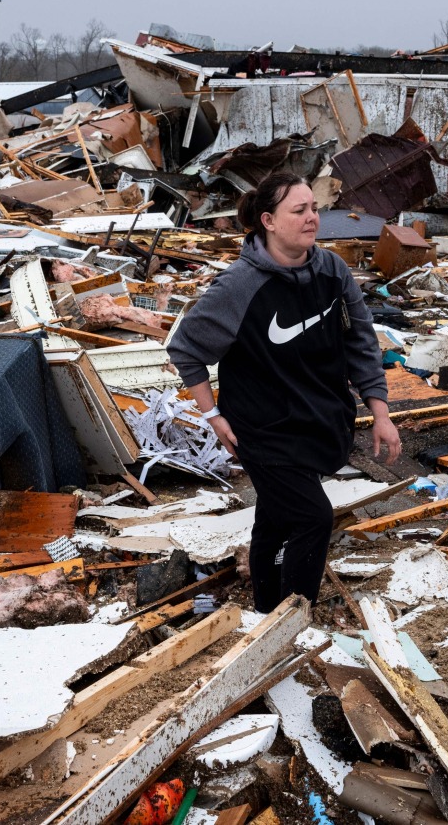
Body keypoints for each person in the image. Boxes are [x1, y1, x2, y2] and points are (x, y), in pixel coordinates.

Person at [167, 172, 401, 613]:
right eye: (300, 210)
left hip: (315, 421)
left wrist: (380, 411)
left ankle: (264, 612)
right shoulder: (238, 286)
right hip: (261, 429)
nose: (313, 218)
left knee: (274, 519)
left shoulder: (332, 270)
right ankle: (294, 620)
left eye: (314, 208)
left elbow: (361, 341)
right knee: (313, 518)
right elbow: (186, 350)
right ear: (269, 221)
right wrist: (213, 416)